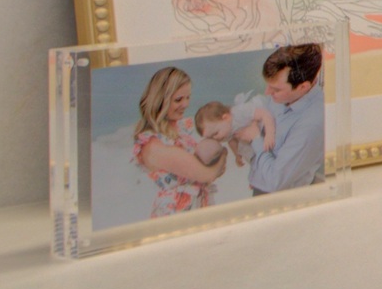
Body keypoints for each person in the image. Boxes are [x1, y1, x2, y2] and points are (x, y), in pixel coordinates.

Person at [132, 66, 229, 217]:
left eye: (188, 97)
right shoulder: (152, 144)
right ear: (160, 100)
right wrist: (222, 155)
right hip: (175, 212)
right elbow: (206, 174)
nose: (185, 104)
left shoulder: (181, 128)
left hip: (198, 205)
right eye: (178, 99)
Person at [243, 42, 327, 195]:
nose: (267, 93)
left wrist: (255, 138)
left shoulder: (312, 124)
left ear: (303, 87)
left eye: (275, 89)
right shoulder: (280, 98)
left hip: (284, 202)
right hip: (261, 189)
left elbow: (275, 181)